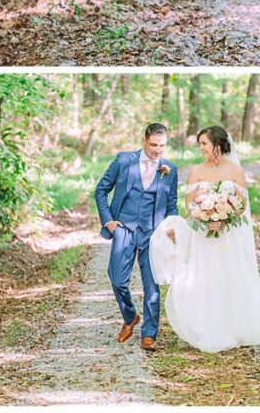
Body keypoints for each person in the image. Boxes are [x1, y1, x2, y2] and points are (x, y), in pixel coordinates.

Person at [148, 125, 260, 352]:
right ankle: (207, 328)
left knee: (231, 276)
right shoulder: (197, 171)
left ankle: (237, 328)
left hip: (228, 236)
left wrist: (225, 218)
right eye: (200, 145)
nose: (201, 149)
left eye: (204, 144)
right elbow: (189, 203)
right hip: (203, 236)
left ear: (217, 144)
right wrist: (205, 216)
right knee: (204, 278)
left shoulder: (235, 171)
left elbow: (242, 203)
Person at [95, 122, 179, 351]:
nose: (157, 150)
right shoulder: (124, 160)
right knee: (117, 278)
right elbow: (101, 190)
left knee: (151, 286)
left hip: (154, 234)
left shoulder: (169, 169)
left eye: (162, 145)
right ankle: (130, 316)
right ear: (144, 140)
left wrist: (172, 227)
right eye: (153, 145)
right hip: (124, 228)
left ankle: (149, 335)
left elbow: (171, 204)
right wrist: (108, 221)